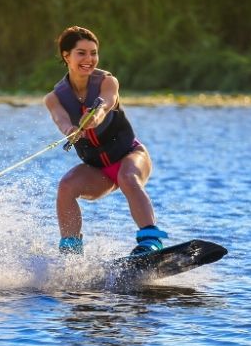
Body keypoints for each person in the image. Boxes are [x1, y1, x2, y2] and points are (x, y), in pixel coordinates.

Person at [43, 26, 167, 256]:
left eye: (93, 53)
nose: (89, 59)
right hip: (97, 170)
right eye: (81, 53)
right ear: (66, 55)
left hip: (131, 155)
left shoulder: (107, 82)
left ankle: (150, 241)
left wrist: (96, 116)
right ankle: (71, 254)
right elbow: (61, 120)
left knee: (127, 177)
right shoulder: (54, 98)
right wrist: (70, 130)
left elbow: (107, 102)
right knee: (66, 186)